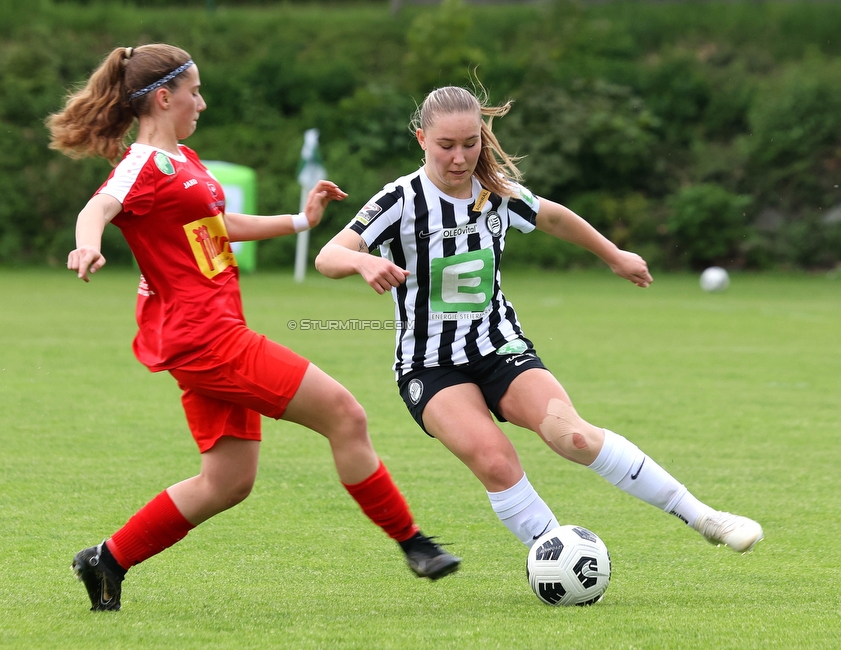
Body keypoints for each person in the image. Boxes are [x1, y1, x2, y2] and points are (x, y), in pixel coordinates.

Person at [45, 44, 460, 611]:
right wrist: (86, 247)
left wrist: (301, 220)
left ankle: (106, 561)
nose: (203, 102)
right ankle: (416, 545)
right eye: (195, 92)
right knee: (346, 414)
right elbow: (97, 209)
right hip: (208, 340)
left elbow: (218, 225)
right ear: (164, 97)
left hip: (205, 337)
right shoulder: (142, 163)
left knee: (227, 482)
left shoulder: (184, 160)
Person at [315, 85, 763, 558]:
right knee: (494, 461)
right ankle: (558, 557)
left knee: (572, 436)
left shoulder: (496, 194)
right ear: (423, 139)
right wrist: (362, 262)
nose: (460, 157)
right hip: (429, 365)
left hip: (499, 346)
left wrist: (613, 255)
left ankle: (704, 517)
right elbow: (329, 255)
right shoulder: (399, 200)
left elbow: (553, 219)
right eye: (446, 145)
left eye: (471, 143)